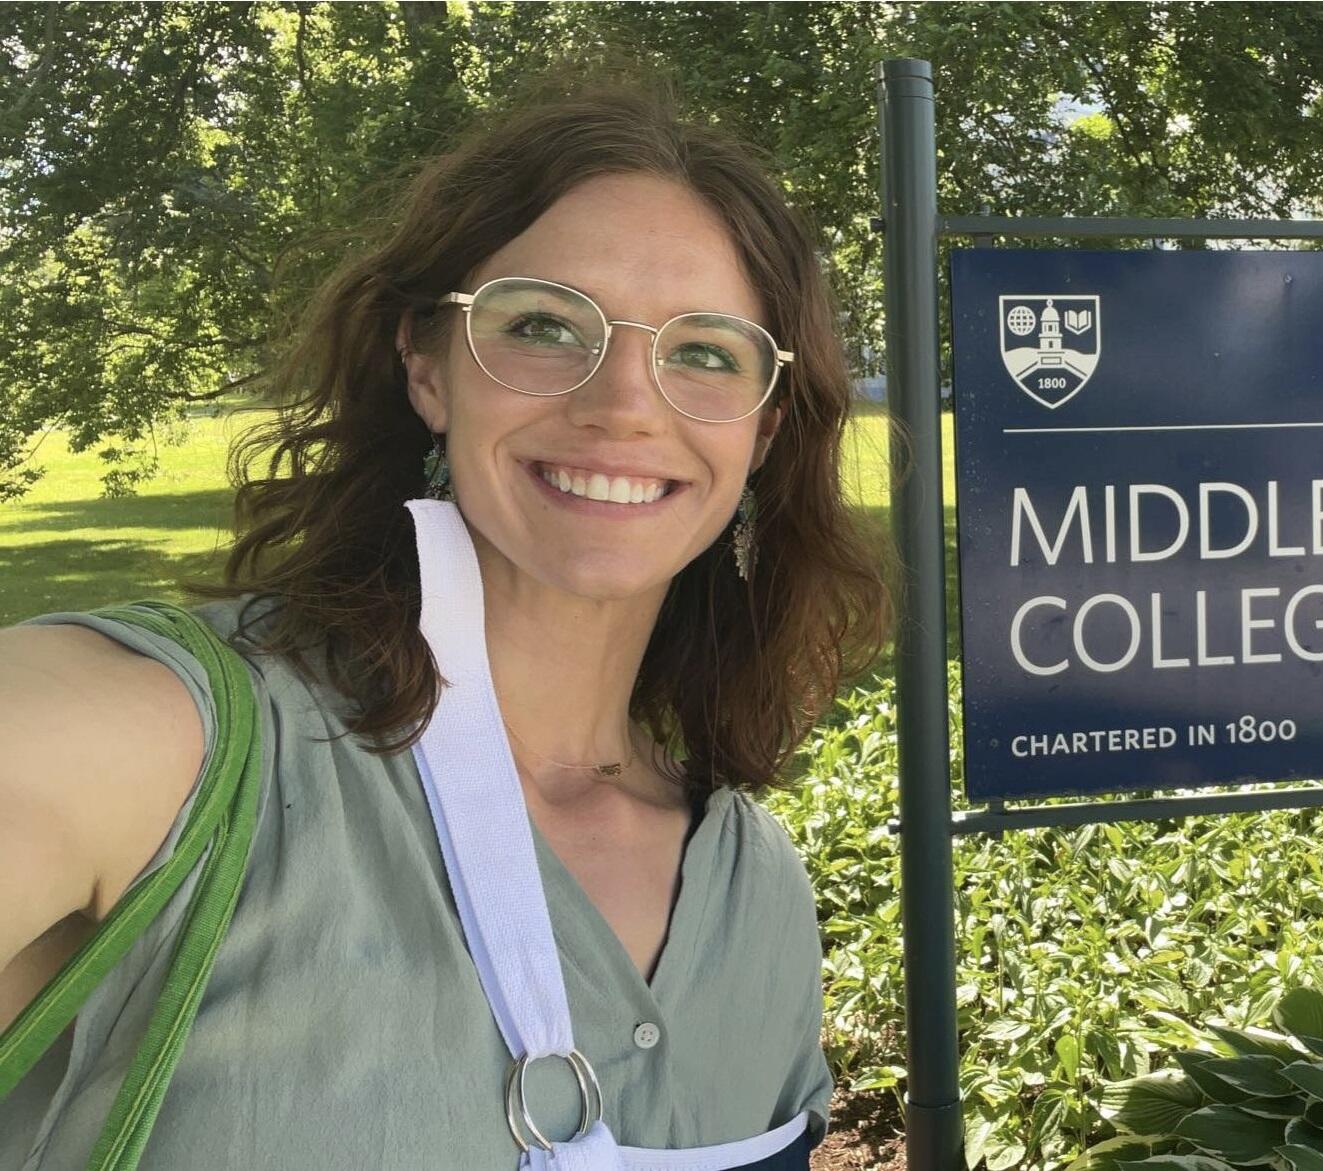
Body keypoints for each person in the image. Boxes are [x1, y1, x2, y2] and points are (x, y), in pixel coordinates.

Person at [0, 74, 890, 1167]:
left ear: (762, 431)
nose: (622, 402)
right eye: (543, 325)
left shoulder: (755, 895)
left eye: (706, 351)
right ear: (427, 366)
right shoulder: (168, 751)